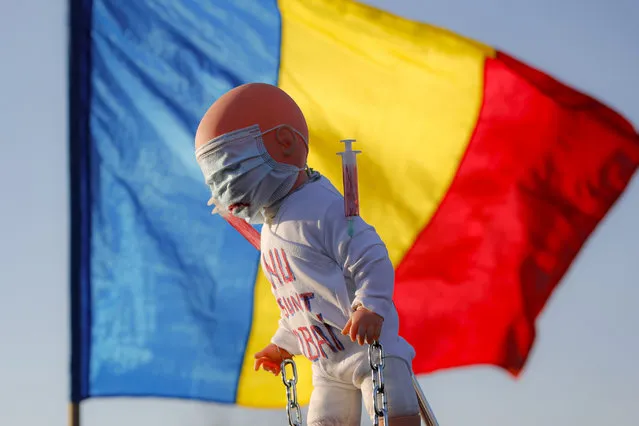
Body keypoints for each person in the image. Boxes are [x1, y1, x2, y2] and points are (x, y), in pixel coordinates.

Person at [194, 82, 420, 426]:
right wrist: (282, 344)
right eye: (214, 180)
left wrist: (371, 305)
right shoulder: (270, 230)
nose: (223, 189)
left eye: (229, 169)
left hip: (370, 348)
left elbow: (371, 255)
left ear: (284, 142)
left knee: (394, 409)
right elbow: (297, 302)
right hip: (326, 363)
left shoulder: (322, 207)